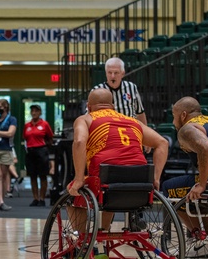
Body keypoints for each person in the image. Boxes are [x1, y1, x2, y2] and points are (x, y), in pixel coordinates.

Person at [66, 88, 169, 232]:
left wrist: (78, 179)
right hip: (140, 182)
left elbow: (78, 142)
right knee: (110, 184)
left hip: (106, 181)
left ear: (88, 107)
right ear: (113, 106)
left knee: (73, 193)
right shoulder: (133, 121)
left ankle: (82, 243)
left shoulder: (85, 119)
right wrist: (156, 178)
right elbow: (162, 143)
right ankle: (103, 232)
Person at [94, 57, 147, 125]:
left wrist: (144, 133)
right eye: (110, 72)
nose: (112, 76)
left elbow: (140, 112)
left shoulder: (131, 87)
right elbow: (89, 116)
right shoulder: (97, 90)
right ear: (106, 73)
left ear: (123, 73)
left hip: (130, 129)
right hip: (107, 130)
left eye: (116, 73)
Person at [23, 104, 54, 206]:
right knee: (32, 176)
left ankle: (42, 198)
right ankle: (35, 198)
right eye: (32, 111)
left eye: (36, 111)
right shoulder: (27, 125)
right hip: (30, 151)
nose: (34, 113)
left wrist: (46, 149)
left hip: (41, 150)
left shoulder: (44, 124)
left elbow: (50, 137)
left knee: (42, 175)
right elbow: (25, 138)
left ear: (40, 112)